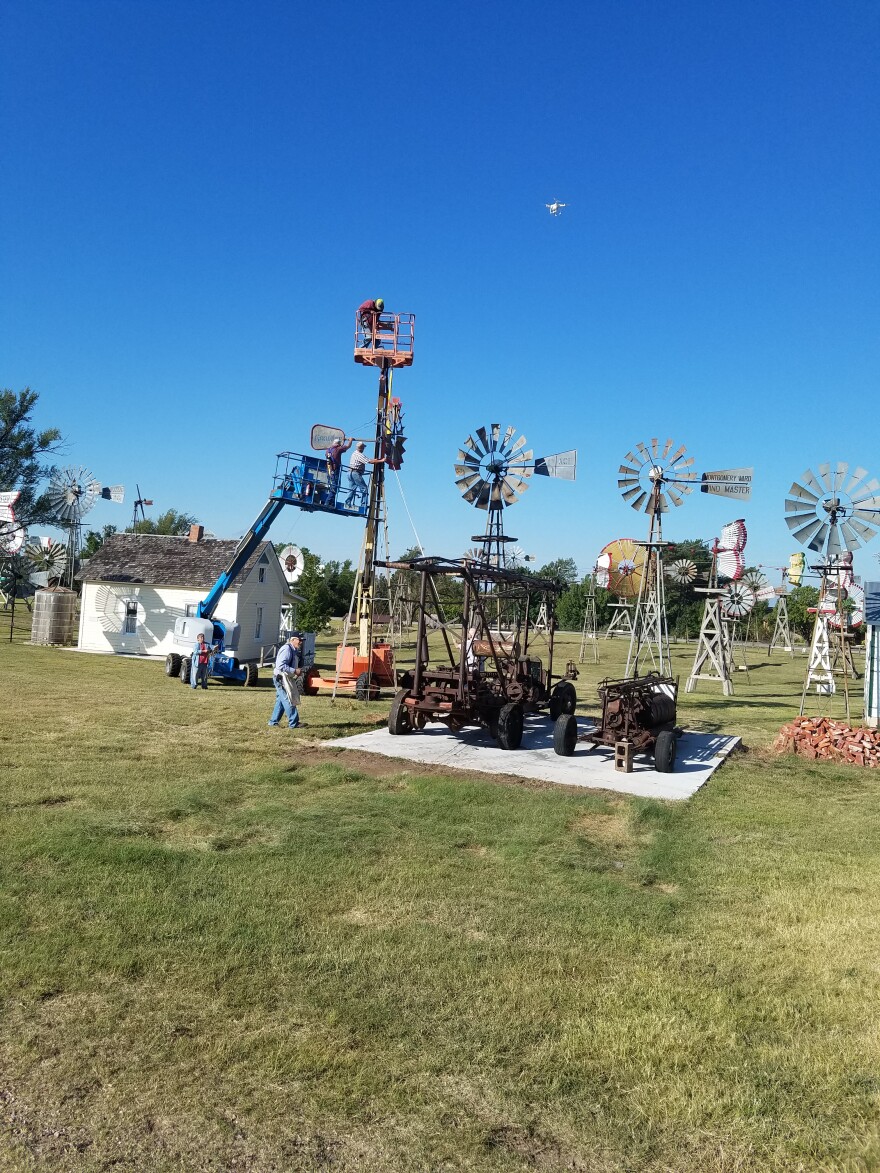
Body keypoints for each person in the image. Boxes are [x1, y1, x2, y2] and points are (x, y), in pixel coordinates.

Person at [268, 633, 304, 728]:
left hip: (284, 677)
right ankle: (294, 723)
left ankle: (273, 722)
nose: (301, 642)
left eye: (302, 640)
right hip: (281, 678)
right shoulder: (287, 649)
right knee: (288, 699)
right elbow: (280, 666)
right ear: (293, 640)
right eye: (299, 640)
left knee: (280, 700)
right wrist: (294, 670)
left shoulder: (293, 650)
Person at [343, 442, 385, 509]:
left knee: (352, 489)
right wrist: (381, 460)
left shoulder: (354, 453)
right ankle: (363, 505)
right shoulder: (360, 455)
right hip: (355, 473)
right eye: (363, 447)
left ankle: (347, 503)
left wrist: (375, 460)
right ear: (362, 448)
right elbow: (370, 462)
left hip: (350, 472)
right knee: (364, 488)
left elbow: (368, 460)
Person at [324, 435, 352, 504]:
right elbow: (348, 447)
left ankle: (331, 502)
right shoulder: (338, 449)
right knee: (335, 486)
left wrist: (343, 442)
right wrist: (350, 440)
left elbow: (340, 447)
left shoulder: (328, 450)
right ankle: (327, 502)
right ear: (338, 444)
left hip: (329, 469)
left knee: (331, 486)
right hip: (335, 469)